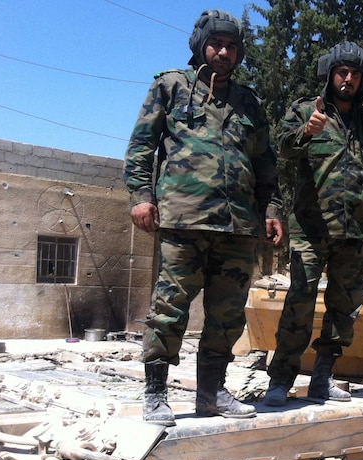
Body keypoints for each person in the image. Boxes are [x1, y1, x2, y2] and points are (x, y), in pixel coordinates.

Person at [123, 9, 283, 425]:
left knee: (227, 316)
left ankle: (211, 394)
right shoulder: (172, 86)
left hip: (238, 227)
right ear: (200, 45)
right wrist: (141, 195)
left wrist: (271, 209)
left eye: (231, 46)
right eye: (216, 44)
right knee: (170, 307)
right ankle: (155, 393)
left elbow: (266, 163)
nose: (223, 52)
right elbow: (142, 145)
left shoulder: (249, 103)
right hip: (183, 220)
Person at [264, 41, 363, 406]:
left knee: (344, 309)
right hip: (311, 228)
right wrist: (308, 132)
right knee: (299, 303)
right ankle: (280, 380)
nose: (348, 79)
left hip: (354, 230)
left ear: (362, 80)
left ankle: (323, 378)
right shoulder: (305, 111)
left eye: (355, 74)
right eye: (342, 72)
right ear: (330, 74)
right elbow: (281, 147)